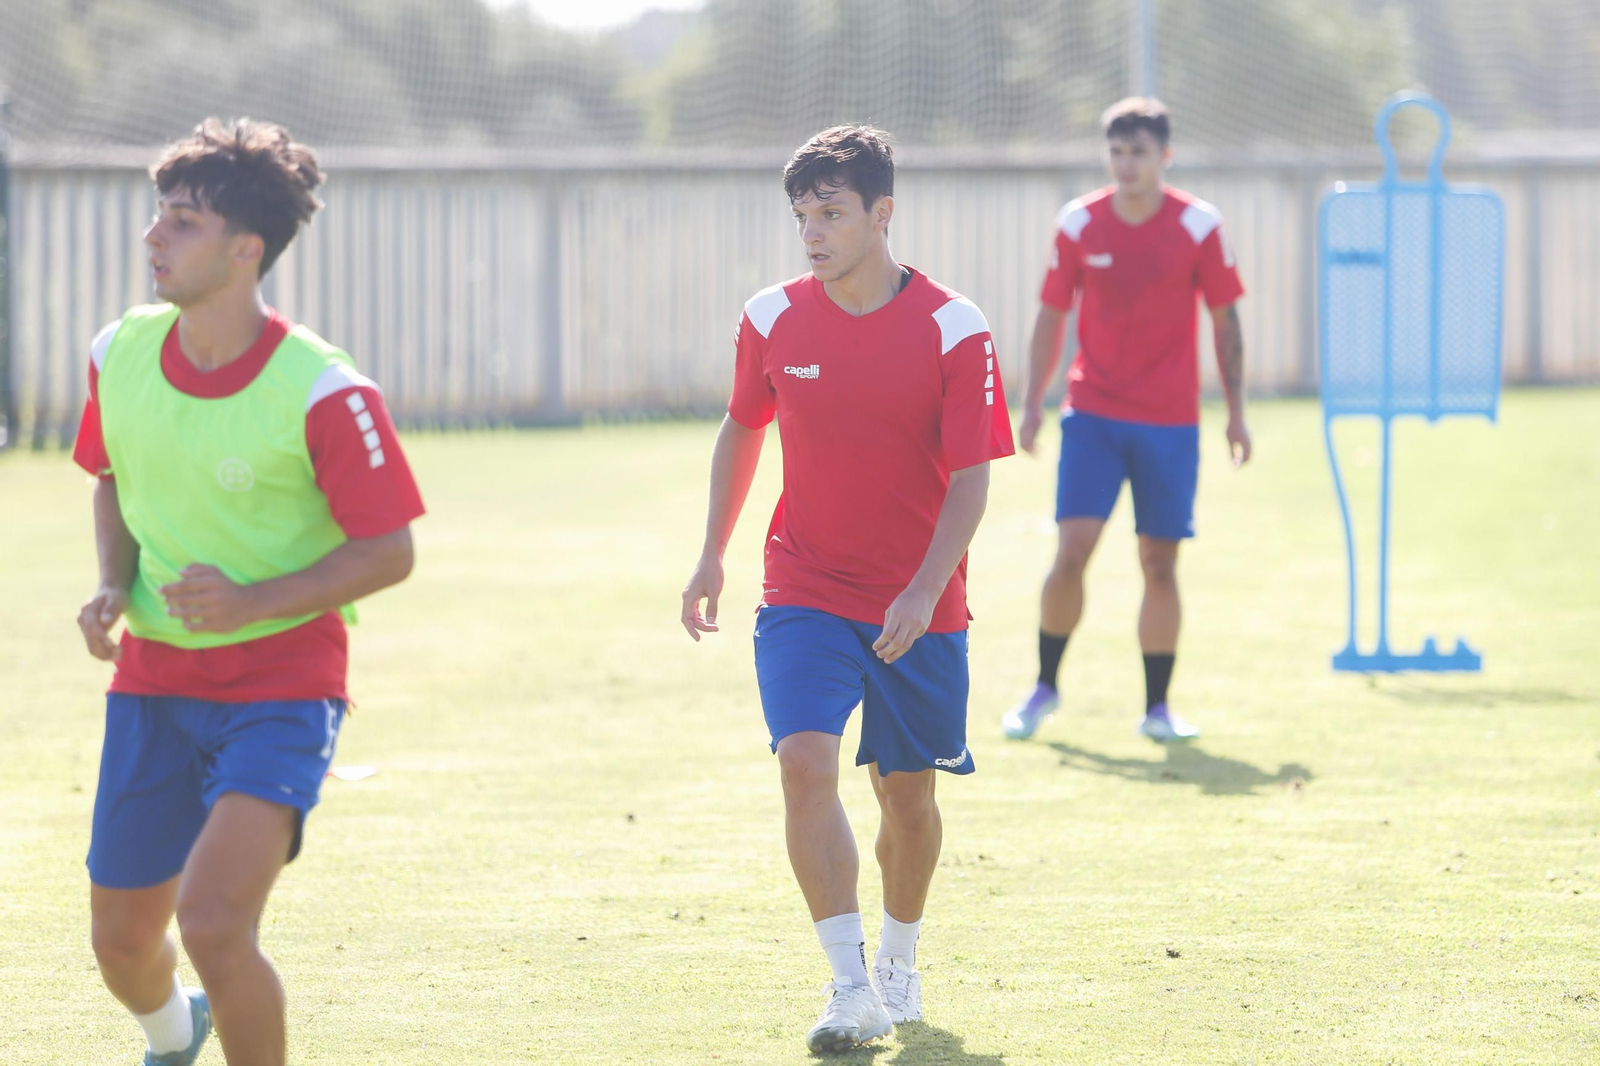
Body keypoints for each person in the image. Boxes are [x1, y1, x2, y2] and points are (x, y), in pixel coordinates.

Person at [71, 118, 425, 1066]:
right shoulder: (119, 353)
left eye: (180, 222)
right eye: (159, 216)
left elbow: (389, 550)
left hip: (282, 685)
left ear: (244, 250)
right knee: (122, 945)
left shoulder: (326, 391)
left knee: (216, 923)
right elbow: (112, 475)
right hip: (151, 682)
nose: (154, 237)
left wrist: (251, 602)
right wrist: (113, 582)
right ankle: (173, 1031)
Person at [680, 125, 1015, 1053]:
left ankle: (901, 959)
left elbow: (972, 476)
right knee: (804, 765)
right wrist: (713, 550)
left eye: (831, 213)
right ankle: (849, 986)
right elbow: (741, 428)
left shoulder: (956, 327)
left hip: (921, 607)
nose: (813, 233)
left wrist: (921, 589)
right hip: (803, 588)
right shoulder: (771, 318)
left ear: (882, 213)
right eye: (802, 217)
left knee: (907, 801)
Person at [1001, 97, 1250, 744]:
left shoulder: (1199, 225)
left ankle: (1158, 708)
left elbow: (1226, 320)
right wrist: (1031, 403)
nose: (1126, 164)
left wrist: (1237, 413)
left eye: (1139, 151)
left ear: (1164, 156)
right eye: (1116, 151)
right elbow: (1051, 316)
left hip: (1170, 423)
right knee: (1071, 553)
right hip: (1094, 415)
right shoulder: (1079, 224)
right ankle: (1044, 687)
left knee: (1159, 564)